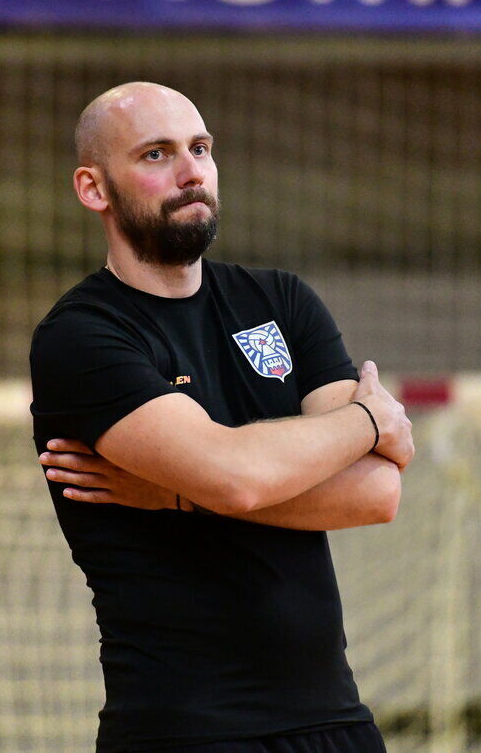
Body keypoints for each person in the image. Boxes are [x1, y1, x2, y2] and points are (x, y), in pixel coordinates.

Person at [29, 82, 414, 753]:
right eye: (156, 154)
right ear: (94, 189)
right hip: (186, 730)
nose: (191, 171)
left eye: (200, 149)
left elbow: (375, 492)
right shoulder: (82, 335)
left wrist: (176, 495)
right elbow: (235, 479)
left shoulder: (280, 300)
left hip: (335, 724)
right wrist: (370, 420)